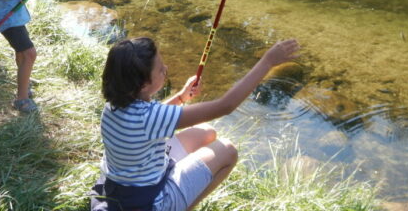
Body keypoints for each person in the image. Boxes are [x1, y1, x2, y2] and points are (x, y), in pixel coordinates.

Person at [92, 37, 300, 211]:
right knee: (227, 150)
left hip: (123, 187)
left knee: (206, 133)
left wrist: (181, 97)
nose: (166, 68)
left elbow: (149, 122)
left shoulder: (114, 105)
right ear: (144, 84)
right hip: (149, 203)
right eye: (160, 69)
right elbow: (225, 106)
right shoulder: (149, 117)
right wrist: (267, 61)